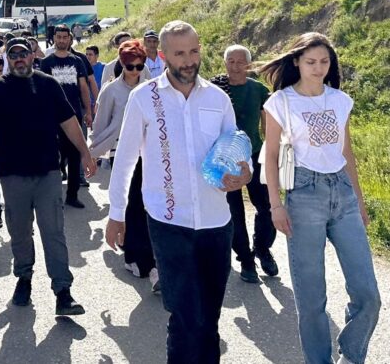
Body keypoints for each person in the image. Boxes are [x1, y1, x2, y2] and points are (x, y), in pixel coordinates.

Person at [106, 21, 250, 364]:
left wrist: (244, 174)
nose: (189, 60)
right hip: (169, 223)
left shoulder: (218, 99)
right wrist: (116, 214)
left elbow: (237, 149)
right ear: (164, 55)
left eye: (194, 51)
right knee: (185, 318)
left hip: (216, 223)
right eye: (180, 53)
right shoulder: (144, 99)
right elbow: (125, 160)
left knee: (210, 319)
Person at [260, 33, 381, 364]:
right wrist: (276, 205)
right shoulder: (280, 102)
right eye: (311, 62)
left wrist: (358, 199)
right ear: (297, 61)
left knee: (369, 295)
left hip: (342, 195)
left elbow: (347, 152)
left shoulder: (340, 100)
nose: (318, 68)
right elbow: (270, 156)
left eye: (324, 62)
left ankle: (352, 356)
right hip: (303, 195)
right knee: (312, 298)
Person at [0, 37, 96, 316]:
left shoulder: (47, 84)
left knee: (54, 232)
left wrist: (85, 153)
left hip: (48, 172)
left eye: (23, 54)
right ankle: (23, 278)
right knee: (20, 233)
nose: (18, 59)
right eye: (13, 55)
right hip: (13, 175)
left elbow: (68, 121)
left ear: (32, 56)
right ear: (7, 59)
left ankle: (63, 291)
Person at [90, 41, 157, 290]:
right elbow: (99, 126)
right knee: (133, 206)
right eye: (130, 66)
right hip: (121, 153)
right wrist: (93, 154)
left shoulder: (152, 90)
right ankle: (135, 257)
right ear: (121, 64)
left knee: (147, 205)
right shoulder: (110, 91)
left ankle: (148, 258)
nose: (135, 70)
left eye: (140, 65)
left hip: (149, 154)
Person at [210, 44, 276, 284]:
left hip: (255, 156)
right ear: (225, 62)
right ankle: (246, 260)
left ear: (248, 65)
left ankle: (262, 248)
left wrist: (272, 154)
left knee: (267, 207)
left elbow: (267, 126)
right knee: (235, 213)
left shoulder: (258, 90)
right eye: (231, 61)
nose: (236, 66)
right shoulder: (215, 90)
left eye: (241, 62)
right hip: (225, 162)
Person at [40, 26, 93, 208]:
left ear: (70, 39)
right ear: (54, 38)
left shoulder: (77, 61)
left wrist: (89, 111)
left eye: (65, 37)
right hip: (52, 118)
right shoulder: (46, 62)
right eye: (59, 37)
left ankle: (72, 195)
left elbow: (84, 87)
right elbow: (43, 90)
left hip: (74, 115)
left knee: (75, 155)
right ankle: (54, 197)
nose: (62, 40)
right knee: (55, 158)